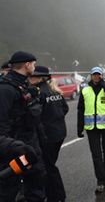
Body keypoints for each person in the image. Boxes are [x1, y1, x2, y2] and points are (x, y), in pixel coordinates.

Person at [0, 51, 47, 201]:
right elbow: (2, 128)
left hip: (31, 147)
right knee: (10, 192)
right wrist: (17, 147)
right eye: (33, 63)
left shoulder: (23, 85)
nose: (34, 66)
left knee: (36, 189)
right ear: (27, 65)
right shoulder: (6, 89)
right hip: (15, 150)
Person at [77, 66, 105, 193]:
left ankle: (103, 171)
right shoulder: (85, 89)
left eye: (99, 74)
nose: (97, 77)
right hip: (92, 128)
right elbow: (80, 109)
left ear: (101, 75)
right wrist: (79, 128)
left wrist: (104, 85)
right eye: (94, 74)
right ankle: (101, 180)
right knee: (96, 155)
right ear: (91, 75)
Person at [28, 66, 69, 202]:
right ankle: (54, 194)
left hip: (47, 136)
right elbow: (65, 108)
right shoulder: (54, 91)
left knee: (49, 166)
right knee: (50, 164)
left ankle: (57, 196)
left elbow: (36, 115)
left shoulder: (39, 93)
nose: (29, 78)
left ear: (40, 78)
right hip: (59, 133)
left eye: (32, 76)